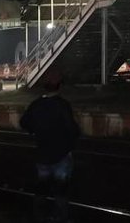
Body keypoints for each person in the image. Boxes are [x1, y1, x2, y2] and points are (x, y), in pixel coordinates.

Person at [19, 71, 81, 222]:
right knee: (61, 190)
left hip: (42, 153)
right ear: (59, 86)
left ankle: (39, 216)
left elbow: (23, 123)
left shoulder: (36, 104)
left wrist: (34, 130)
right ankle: (60, 217)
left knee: (41, 187)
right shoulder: (63, 105)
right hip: (61, 154)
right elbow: (73, 130)